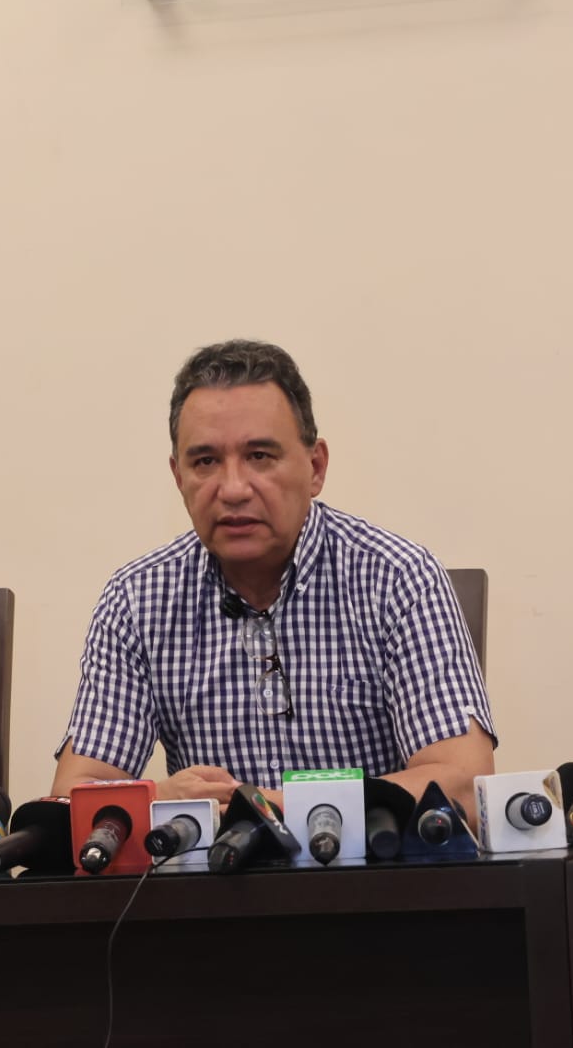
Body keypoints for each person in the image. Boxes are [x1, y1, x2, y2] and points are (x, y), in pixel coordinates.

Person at [51, 340, 495, 815]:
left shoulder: (397, 578)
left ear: (315, 467)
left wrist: (264, 807)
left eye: (260, 456)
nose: (234, 488)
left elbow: (463, 784)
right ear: (178, 477)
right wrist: (162, 797)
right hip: (216, 887)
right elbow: (71, 799)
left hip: (378, 882)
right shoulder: (138, 601)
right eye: (205, 462)